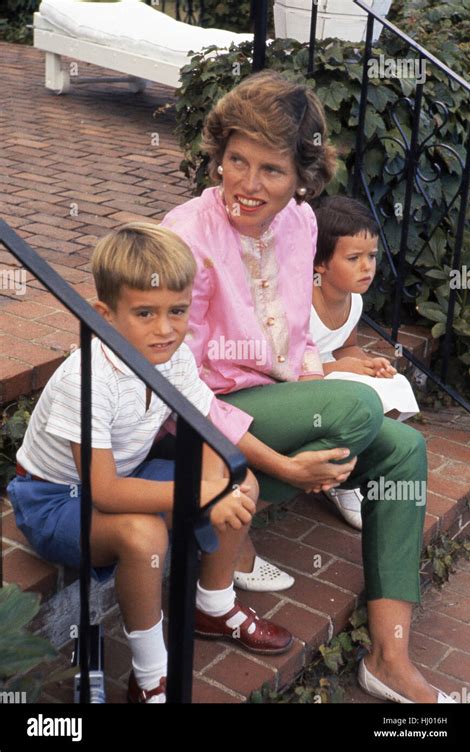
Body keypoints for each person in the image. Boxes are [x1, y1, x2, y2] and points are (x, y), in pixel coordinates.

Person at [160, 70, 455, 703]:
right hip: (197, 421)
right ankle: (217, 523)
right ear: (219, 154)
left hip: (276, 402)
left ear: (302, 178)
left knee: (404, 450)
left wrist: (324, 391)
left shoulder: (298, 225)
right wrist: (284, 465)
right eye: (236, 160)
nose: (245, 183)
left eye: (270, 169)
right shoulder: (186, 234)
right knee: (352, 407)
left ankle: (388, 655)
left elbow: (296, 343)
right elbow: (173, 384)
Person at [7, 223, 293, 704]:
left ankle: (214, 605)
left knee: (240, 484)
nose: (165, 329)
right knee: (146, 536)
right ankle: (152, 674)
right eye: (145, 313)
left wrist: (220, 483)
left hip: (129, 474)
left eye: (177, 311)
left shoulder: (175, 358)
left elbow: (205, 428)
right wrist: (203, 494)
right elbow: (105, 493)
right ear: (103, 315)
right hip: (55, 498)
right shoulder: (89, 378)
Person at [310, 195, 420, 518]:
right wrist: (340, 366)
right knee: (358, 396)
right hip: (303, 380)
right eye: (354, 257)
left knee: (394, 386)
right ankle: (341, 479)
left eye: (371, 256)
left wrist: (369, 363)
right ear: (320, 263)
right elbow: (285, 367)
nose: (367, 267)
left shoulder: (353, 302)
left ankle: (357, 463)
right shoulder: (304, 302)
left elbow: (347, 347)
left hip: (332, 371)